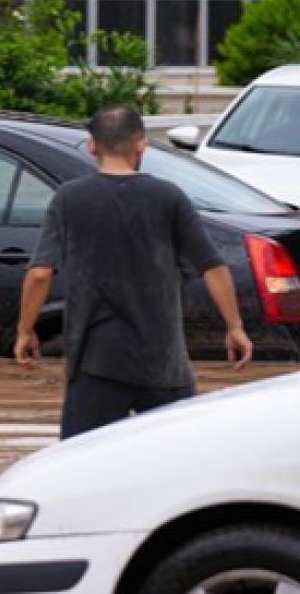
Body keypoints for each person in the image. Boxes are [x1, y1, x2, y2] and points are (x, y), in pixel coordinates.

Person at [14, 104, 253, 439]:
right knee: (178, 464)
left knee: (81, 466)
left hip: (95, 362)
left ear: (92, 146)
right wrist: (235, 327)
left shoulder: (69, 199)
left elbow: (40, 273)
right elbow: (212, 267)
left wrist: (25, 331)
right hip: (164, 363)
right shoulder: (169, 196)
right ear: (141, 144)